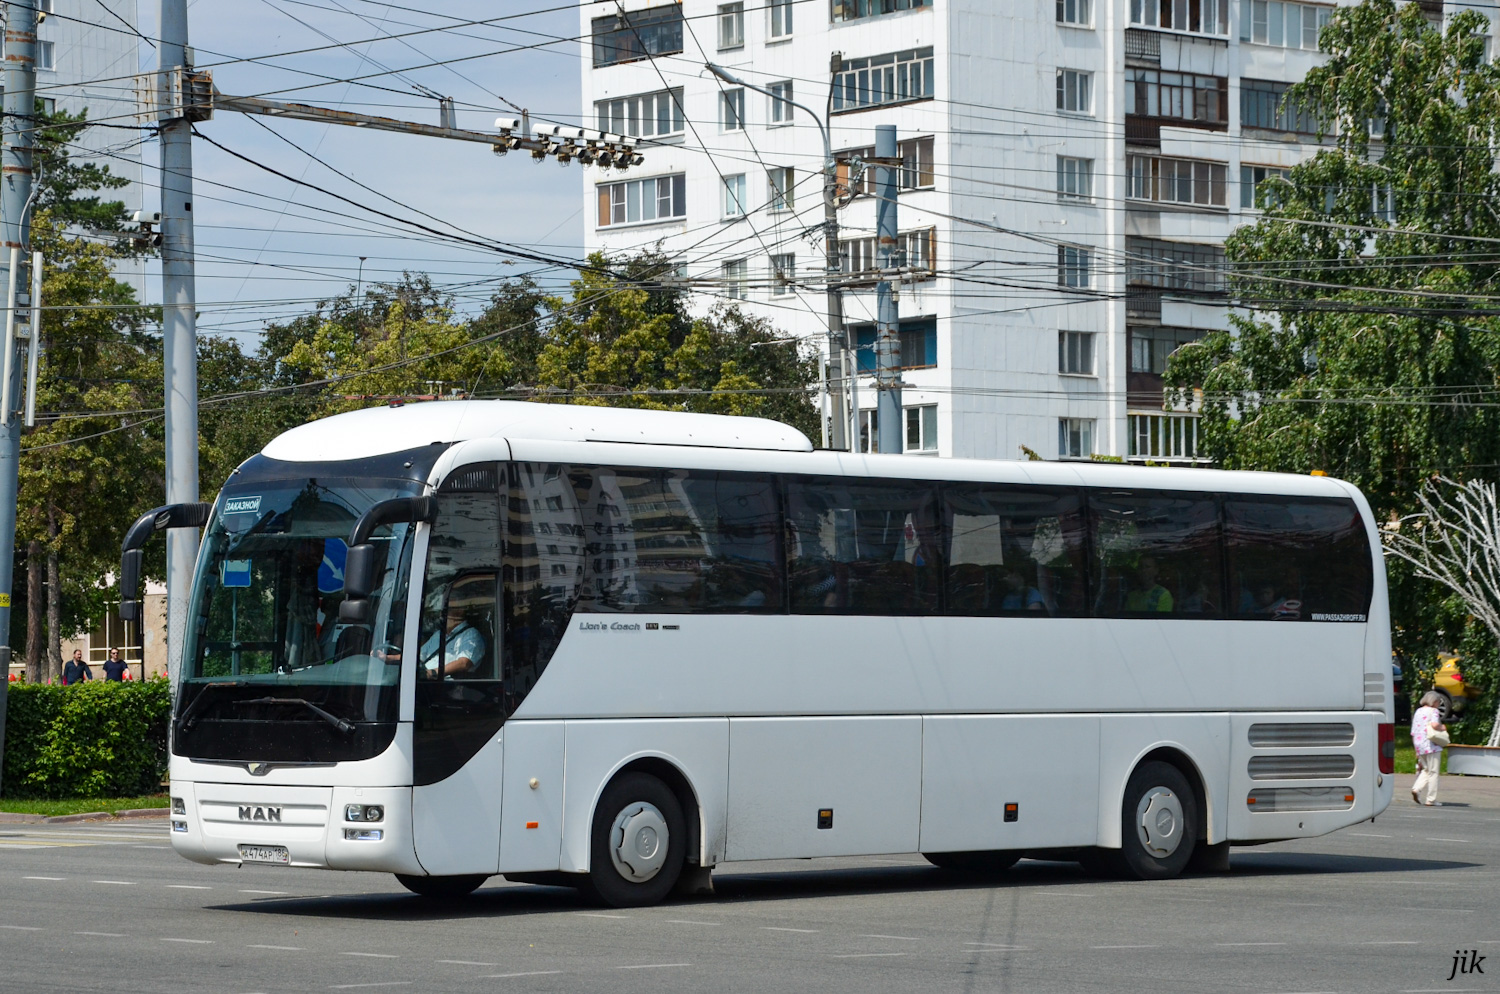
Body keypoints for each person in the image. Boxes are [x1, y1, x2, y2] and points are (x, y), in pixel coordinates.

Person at [1411, 690, 1447, 806]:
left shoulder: (1418, 711)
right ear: (1434, 701)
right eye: (1438, 702)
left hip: (1419, 744)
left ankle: (1416, 788)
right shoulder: (1434, 711)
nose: (1438, 704)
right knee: (1433, 772)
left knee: (1426, 770)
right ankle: (1431, 799)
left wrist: (1416, 749)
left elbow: (1414, 731)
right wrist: (1442, 727)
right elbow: (1434, 725)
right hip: (1431, 745)